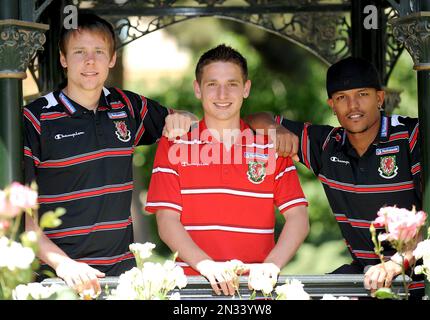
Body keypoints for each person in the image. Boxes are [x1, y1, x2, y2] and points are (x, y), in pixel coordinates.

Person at [23, 13, 195, 296]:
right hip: (58, 281)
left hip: (122, 279)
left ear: (112, 58)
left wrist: (183, 118)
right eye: (79, 52)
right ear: (63, 59)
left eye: (99, 52)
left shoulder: (126, 105)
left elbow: (183, 118)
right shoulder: (35, 119)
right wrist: (63, 264)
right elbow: (16, 214)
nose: (90, 61)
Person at [245, 57, 424, 299]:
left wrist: (396, 262)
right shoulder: (329, 145)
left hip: (425, 281)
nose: (353, 106)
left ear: (379, 98)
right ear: (332, 105)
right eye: (342, 98)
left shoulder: (410, 136)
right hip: (366, 279)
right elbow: (254, 119)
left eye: (362, 94)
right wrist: (275, 130)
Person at [145, 44, 310, 296]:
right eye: (212, 84)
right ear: (198, 89)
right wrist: (206, 265)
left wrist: (271, 266)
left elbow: (298, 217)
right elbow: (167, 221)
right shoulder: (174, 142)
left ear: (246, 88)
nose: (222, 93)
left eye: (232, 83)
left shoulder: (270, 144)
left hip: (255, 289)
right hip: (192, 287)